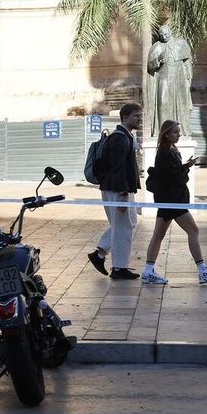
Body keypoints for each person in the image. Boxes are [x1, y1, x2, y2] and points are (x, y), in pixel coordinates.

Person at [140, 119, 207, 286]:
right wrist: (184, 171)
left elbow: (172, 173)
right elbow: (173, 178)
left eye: (178, 132)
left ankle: (148, 271)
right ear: (166, 134)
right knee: (193, 230)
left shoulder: (169, 150)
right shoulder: (165, 152)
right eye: (175, 132)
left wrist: (186, 165)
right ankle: (202, 270)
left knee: (158, 235)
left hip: (168, 201)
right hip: (173, 201)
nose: (178, 134)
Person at [87, 102, 143, 281]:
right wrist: (123, 194)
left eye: (140, 115)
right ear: (125, 117)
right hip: (117, 189)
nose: (139, 119)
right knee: (123, 227)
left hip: (118, 188)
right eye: (136, 116)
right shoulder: (120, 138)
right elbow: (118, 168)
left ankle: (100, 254)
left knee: (129, 222)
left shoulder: (124, 136)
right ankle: (119, 268)